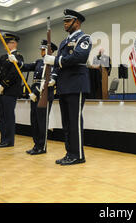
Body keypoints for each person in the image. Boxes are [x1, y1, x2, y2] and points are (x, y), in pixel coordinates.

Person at [44, 9, 92, 166]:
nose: (65, 24)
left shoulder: (84, 38)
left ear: (76, 22)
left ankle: (78, 155)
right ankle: (70, 153)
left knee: (74, 121)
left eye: (68, 21)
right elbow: (61, 65)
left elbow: (80, 56)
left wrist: (56, 60)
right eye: (64, 21)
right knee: (66, 123)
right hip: (64, 85)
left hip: (76, 84)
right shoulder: (65, 42)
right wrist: (53, 77)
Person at [20, 40, 58, 155]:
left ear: (50, 51)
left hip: (44, 96)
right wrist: (16, 61)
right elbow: (26, 66)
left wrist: (35, 92)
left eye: (43, 49)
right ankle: (36, 145)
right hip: (34, 96)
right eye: (41, 49)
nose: (41, 51)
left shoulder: (53, 63)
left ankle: (42, 146)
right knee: (35, 121)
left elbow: (50, 81)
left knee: (42, 122)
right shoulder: (39, 62)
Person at [0, 33, 24, 148]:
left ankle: (9, 140)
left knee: (8, 116)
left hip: (10, 91)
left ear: (14, 43)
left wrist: (3, 85)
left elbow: (14, 74)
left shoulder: (18, 56)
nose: (6, 45)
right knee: (2, 116)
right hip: (2, 91)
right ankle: (3, 139)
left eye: (9, 43)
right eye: (6, 43)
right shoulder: (4, 57)